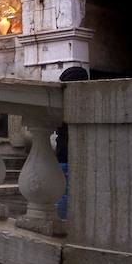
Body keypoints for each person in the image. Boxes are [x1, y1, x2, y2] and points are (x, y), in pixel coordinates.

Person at [55, 66, 90, 219]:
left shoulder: (61, 102)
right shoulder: (85, 102)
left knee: (64, 192)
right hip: (72, 155)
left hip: (64, 155)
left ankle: (64, 222)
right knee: (68, 193)